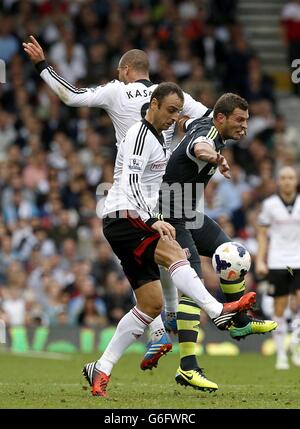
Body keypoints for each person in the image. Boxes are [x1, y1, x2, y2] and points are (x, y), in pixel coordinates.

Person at [22, 36, 213, 364]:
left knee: (147, 256)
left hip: (130, 190)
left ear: (126, 70)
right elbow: (209, 119)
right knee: (165, 253)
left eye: (119, 70)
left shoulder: (117, 90)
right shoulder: (171, 96)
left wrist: (42, 65)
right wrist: (192, 136)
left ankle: (171, 322)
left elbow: (70, 96)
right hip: (165, 190)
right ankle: (167, 321)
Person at [81, 83, 256, 397]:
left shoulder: (158, 135)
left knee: (150, 305)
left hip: (127, 219)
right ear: (154, 104)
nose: (174, 118)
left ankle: (101, 369)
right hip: (125, 215)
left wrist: (209, 150)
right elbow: (131, 183)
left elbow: (195, 132)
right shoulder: (138, 135)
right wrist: (153, 220)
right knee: (175, 251)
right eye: (170, 111)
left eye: (178, 112)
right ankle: (218, 311)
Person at [140, 92, 276, 389]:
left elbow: (189, 125)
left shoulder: (202, 123)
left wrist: (186, 122)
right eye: (239, 120)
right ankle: (188, 366)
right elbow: (198, 146)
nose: (244, 126)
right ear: (221, 118)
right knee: (193, 284)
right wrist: (214, 156)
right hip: (170, 217)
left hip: (189, 213)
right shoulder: (209, 137)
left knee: (234, 254)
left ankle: (239, 322)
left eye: (247, 121)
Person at [256, 166, 300, 369]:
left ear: (295, 180)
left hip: (298, 260)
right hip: (278, 261)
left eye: (290, 178)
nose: (287, 181)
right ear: (278, 181)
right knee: (279, 308)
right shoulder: (270, 205)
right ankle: (281, 354)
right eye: (283, 178)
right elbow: (263, 235)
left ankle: (296, 347)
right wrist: (260, 260)